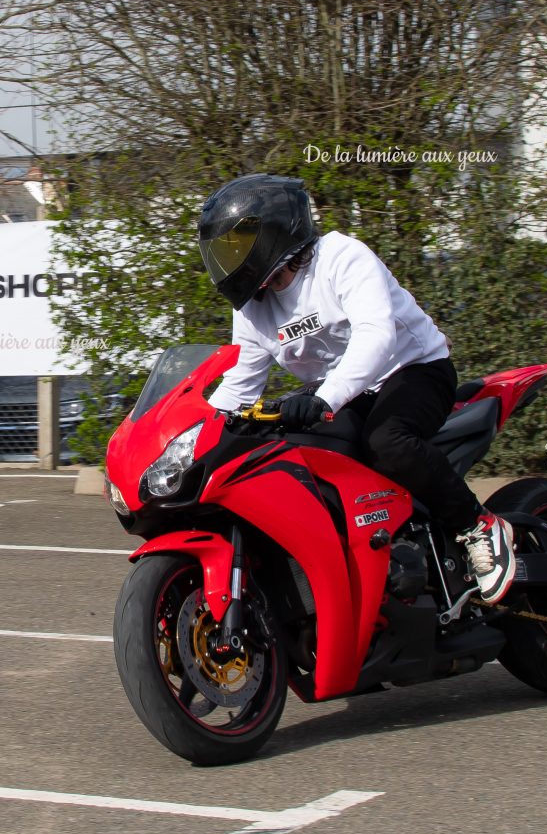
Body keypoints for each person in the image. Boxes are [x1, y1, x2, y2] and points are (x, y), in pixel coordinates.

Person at [200, 173, 515, 603]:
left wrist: (323, 399)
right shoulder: (254, 309)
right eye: (221, 249)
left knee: (387, 441)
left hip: (414, 369)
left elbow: (376, 336)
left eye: (236, 245)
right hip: (342, 391)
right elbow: (240, 383)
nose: (227, 258)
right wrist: (195, 433)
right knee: (287, 449)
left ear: (271, 232)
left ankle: (478, 525)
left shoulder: (341, 257)